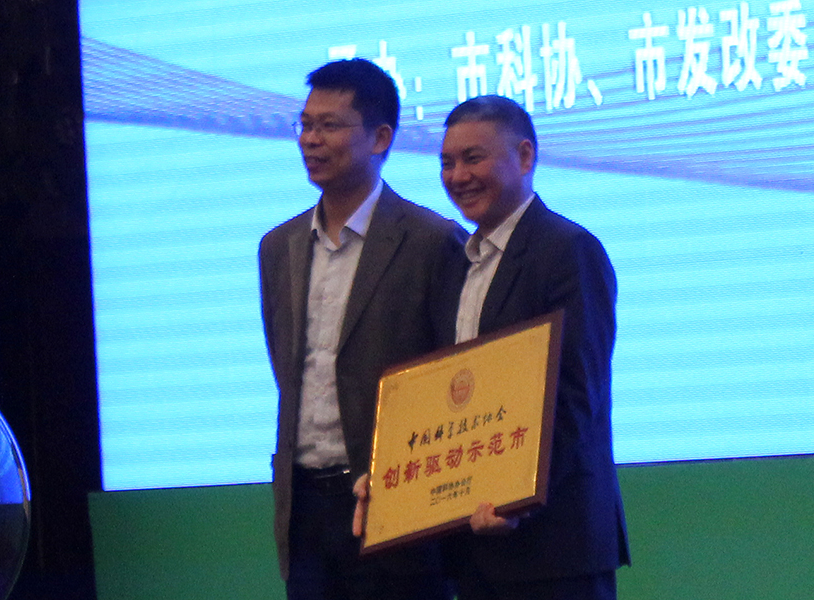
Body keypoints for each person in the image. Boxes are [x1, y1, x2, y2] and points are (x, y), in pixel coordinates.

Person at [258, 58, 462, 600]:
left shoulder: (431, 241)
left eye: (329, 125)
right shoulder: (278, 247)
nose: (311, 140)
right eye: (305, 124)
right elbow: (286, 369)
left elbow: (453, 375)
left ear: (380, 138)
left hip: (396, 501)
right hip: (304, 506)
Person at [432, 95, 631, 599]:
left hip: (553, 546)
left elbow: (576, 395)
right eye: (447, 163)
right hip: (475, 546)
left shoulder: (568, 250)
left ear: (524, 157)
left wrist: (518, 500)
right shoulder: (457, 263)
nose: (458, 176)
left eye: (473, 158)